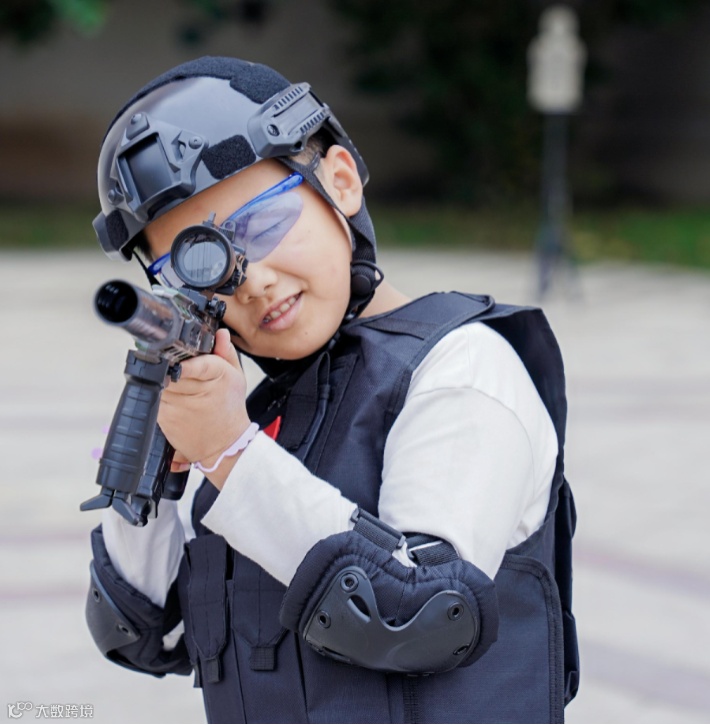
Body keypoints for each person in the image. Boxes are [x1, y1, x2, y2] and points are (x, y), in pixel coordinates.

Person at [85, 56, 579, 723]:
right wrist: (153, 461)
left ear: (340, 182)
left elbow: (416, 612)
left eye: (261, 224)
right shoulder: (271, 415)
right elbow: (144, 631)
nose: (251, 279)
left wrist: (229, 450)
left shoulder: (461, 369)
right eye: (199, 266)